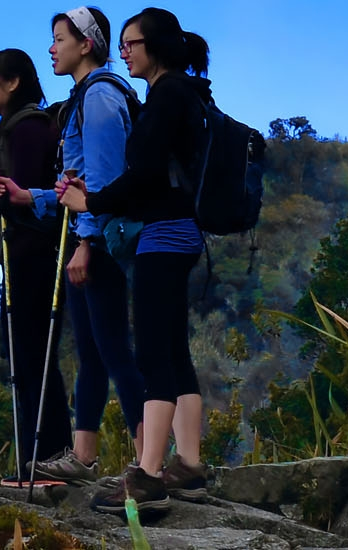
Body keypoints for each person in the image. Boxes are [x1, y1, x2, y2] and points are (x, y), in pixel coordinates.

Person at [57, 7, 214, 514]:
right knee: (172, 351)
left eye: (132, 43)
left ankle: (148, 477)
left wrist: (92, 203)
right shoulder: (183, 94)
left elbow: (144, 174)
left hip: (163, 237)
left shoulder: (166, 96)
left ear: (157, 48)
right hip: (182, 233)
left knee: (151, 356)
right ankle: (188, 464)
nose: (124, 52)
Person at [0, 6, 146, 487]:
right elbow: (71, 185)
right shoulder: (85, 97)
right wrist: (30, 197)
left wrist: (86, 243)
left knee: (114, 351)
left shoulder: (99, 97)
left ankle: (147, 462)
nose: (52, 48)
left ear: (86, 44)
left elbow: (101, 181)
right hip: (88, 236)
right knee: (94, 352)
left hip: (94, 242)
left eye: (60, 38)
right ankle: (83, 455)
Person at [0, 48, 72, 487]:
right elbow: (1, 194)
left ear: (12, 83)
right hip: (28, 257)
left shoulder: (27, 130)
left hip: (33, 260)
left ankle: (46, 457)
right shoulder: (17, 129)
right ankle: (40, 457)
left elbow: (25, 193)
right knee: (27, 359)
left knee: (32, 359)